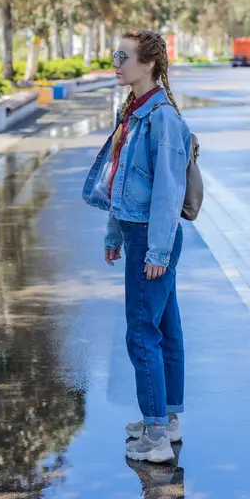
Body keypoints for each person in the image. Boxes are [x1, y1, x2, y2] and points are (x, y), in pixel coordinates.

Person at [83, 29, 191, 463]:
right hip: (138, 232)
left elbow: (167, 190)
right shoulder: (134, 109)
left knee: (142, 334)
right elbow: (120, 182)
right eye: (114, 54)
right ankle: (166, 418)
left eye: (122, 56)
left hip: (152, 237)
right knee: (166, 329)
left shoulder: (161, 117)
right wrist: (113, 233)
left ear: (147, 64)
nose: (115, 62)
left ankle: (156, 437)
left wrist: (157, 253)